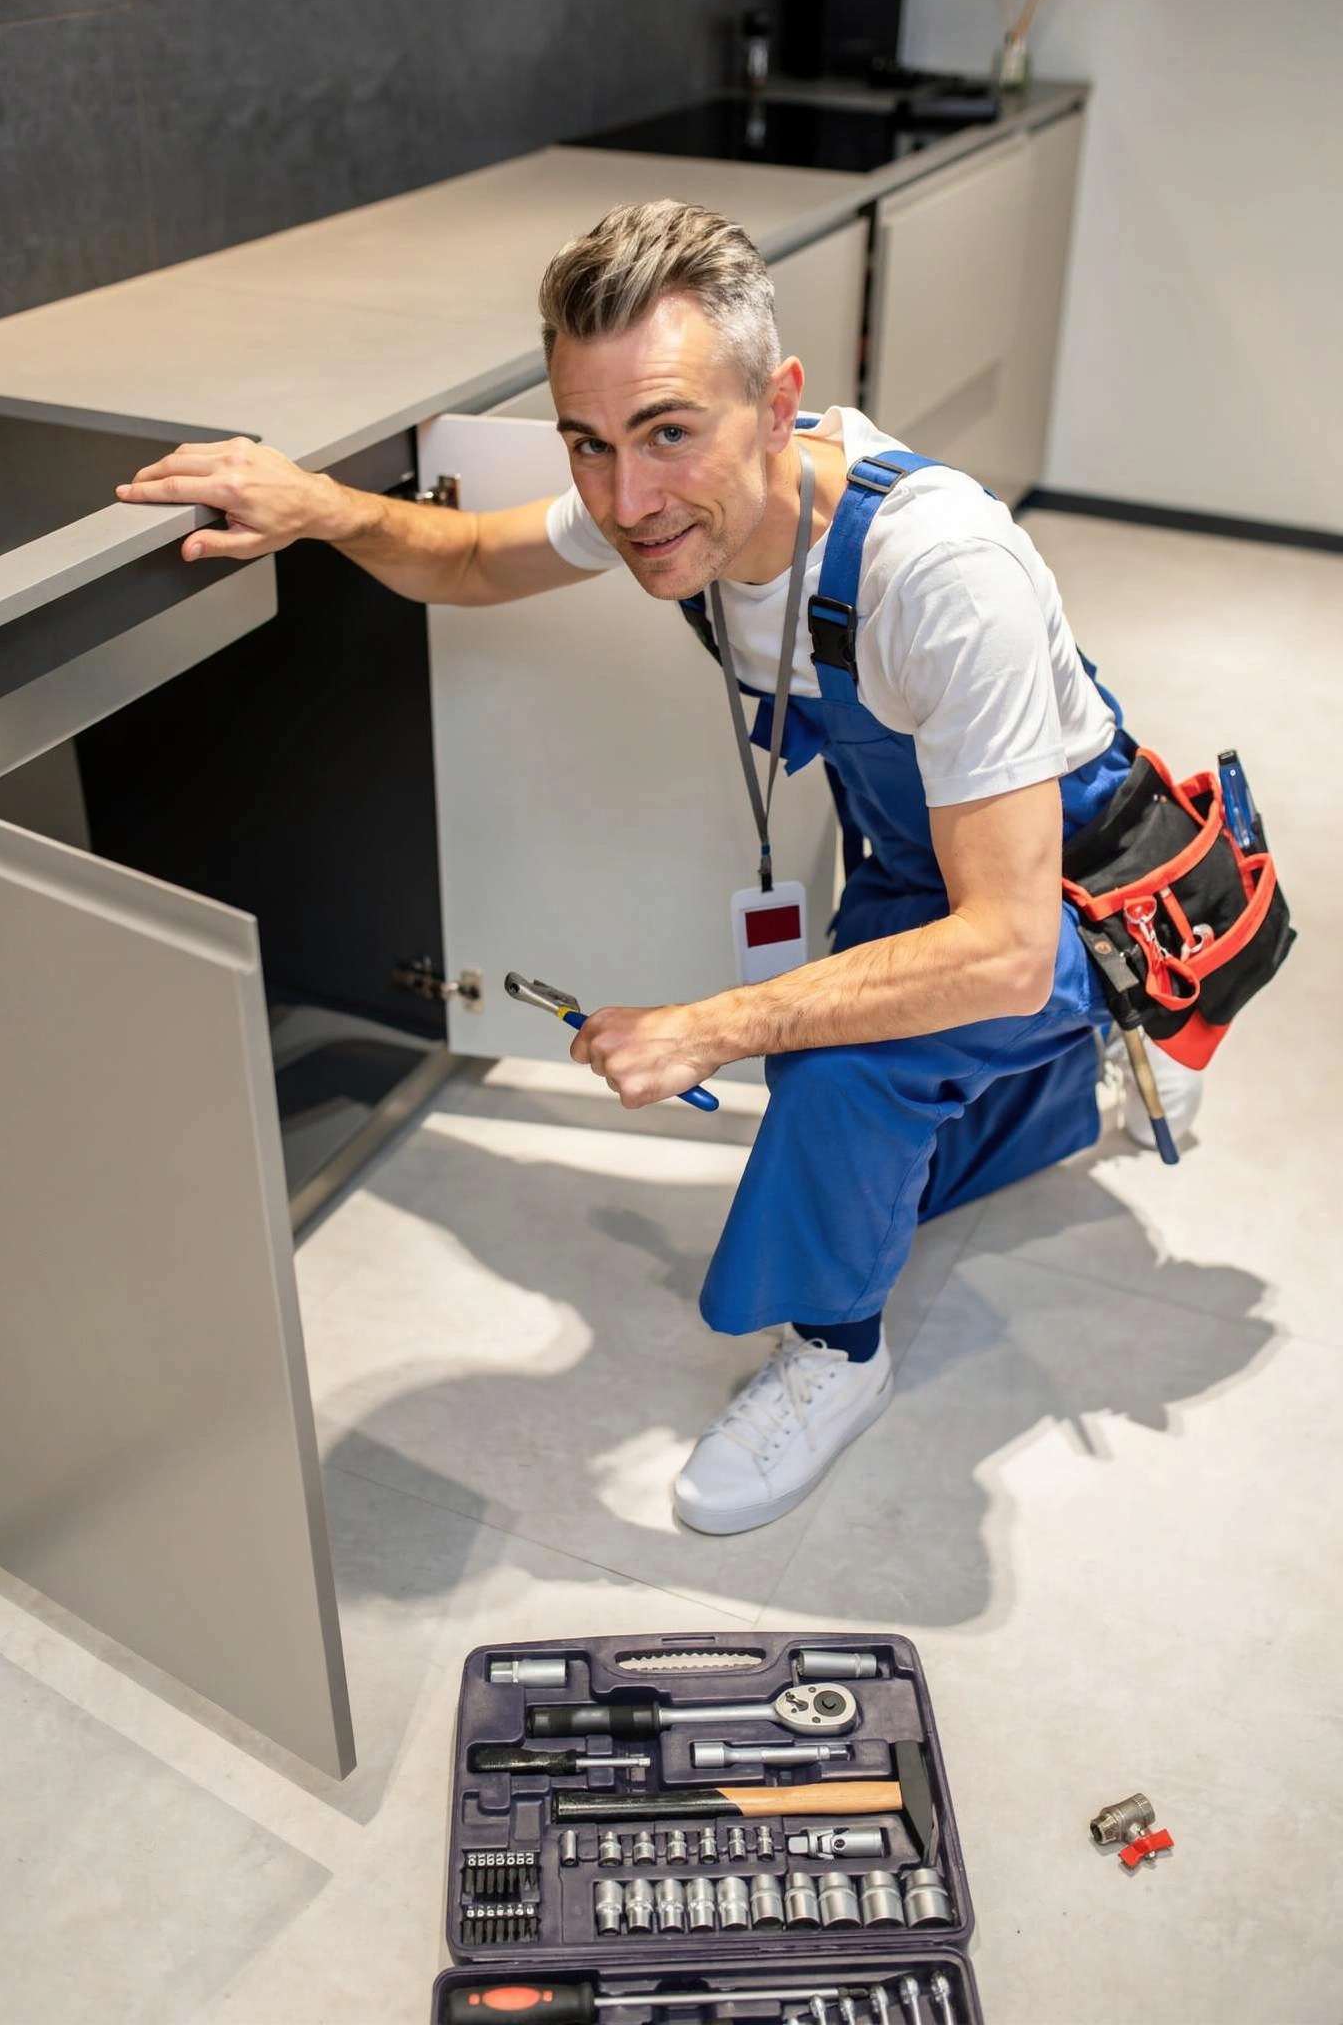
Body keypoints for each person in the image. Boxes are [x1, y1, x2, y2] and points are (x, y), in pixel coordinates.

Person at [117, 199, 1200, 1536]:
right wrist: (317, 508)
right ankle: (1058, 1093)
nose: (626, 503)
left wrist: (712, 1025)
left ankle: (838, 1356)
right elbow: (465, 557)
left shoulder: (942, 572)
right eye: (589, 442)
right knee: (868, 1110)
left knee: (837, 1067)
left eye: (669, 433)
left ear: (778, 401)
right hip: (920, 856)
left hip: (1067, 893)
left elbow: (1002, 943)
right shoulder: (668, 501)